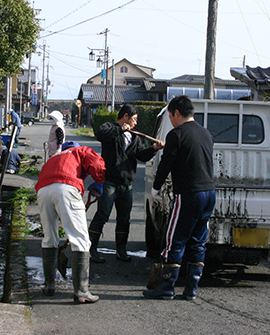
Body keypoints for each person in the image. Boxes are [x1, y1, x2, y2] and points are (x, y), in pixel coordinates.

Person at [143, 96, 216, 301]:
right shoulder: (206, 133)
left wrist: (155, 188)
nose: (171, 120)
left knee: (174, 239)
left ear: (176, 113)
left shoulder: (176, 134)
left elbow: (166, 164)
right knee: (198, 241)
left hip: (189, 194)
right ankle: (191, 289)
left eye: (170, 116)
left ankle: (166, 287)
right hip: (209, 193)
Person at [89, 104, 164, 263]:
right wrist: (120, 129)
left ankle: (121, 251)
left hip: (126, 184)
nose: (136, 123)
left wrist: (154, 149)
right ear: (125, 117)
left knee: (124, 219)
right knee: (102, 215)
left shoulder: (135, 136)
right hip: (109, 181)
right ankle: (92, 248)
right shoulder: (110, 127)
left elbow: (141, 156)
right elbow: (100, 134)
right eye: (134, 119)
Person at [35, 140, 105, 303]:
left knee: (49, 237)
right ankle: (81, 292)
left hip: (43, 190)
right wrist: (99, 183)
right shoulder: (81, 151)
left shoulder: (54, 158)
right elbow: (97, 165)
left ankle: (49, 285)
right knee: (80, 239)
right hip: (66, 187)